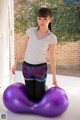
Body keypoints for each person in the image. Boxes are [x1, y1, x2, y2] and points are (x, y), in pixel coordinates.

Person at [12, 7, 58, 101]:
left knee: (38, 98)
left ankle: (42, 87)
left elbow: (52, 57)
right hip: (27, 68)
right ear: (37, 18)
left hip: (40, 68)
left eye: (45, 18)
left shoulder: (52, 38)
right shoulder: (31, 31)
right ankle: (39, 88)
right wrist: (15, 63)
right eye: (39, 18)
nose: (42, 21)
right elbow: (23, 47)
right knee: (31, 97)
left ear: (50, 19)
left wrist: (54, 77)